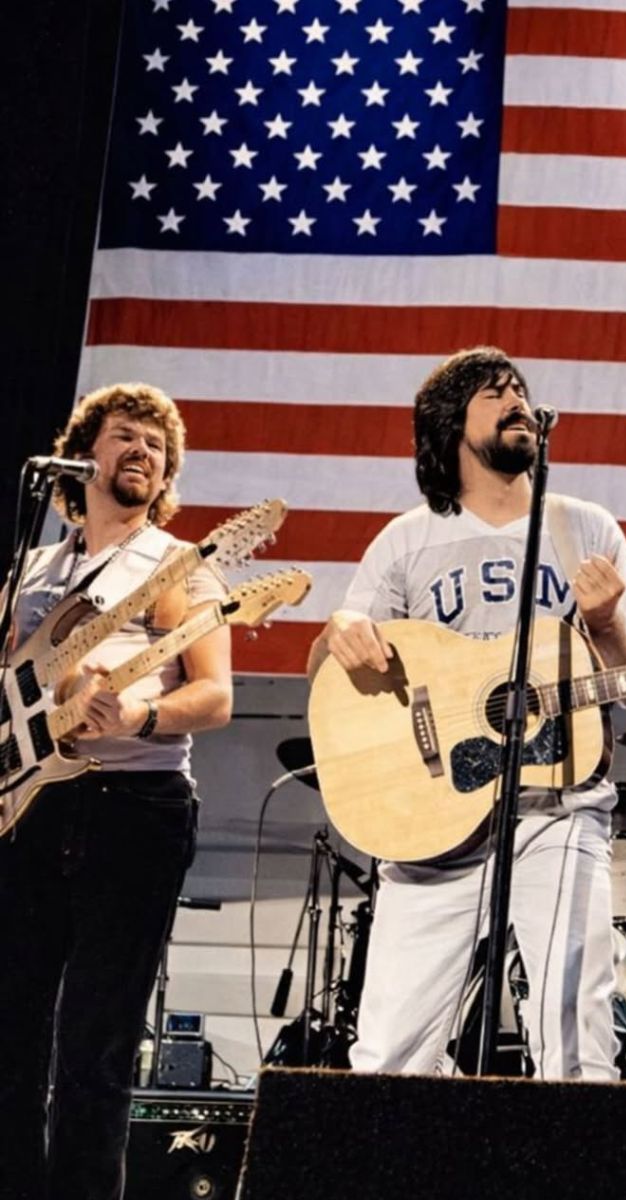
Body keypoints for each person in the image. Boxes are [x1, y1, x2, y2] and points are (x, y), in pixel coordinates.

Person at [308, 346, 626, 1079]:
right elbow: (328, 671)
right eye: (494, 393)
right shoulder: (406, 540)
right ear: (450, 425)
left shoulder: (585, 529)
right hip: (433, 821)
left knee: (576, 1038)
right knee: (389, 1056)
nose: (516, 400)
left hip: (558, 808)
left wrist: (608, 625)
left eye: (520, 389)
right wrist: (340, 632)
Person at [0, 382, 233, 1200]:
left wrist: (140, 714)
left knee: (95, 1047)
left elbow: (216, 696)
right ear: (81, 455)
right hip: (31, 807)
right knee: (11, 1037)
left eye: (157, 446)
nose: (142, 451)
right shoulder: (33, 568)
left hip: (134, 808)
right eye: (125, 435)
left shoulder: (177, 565)